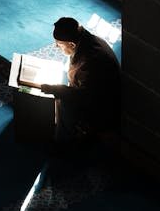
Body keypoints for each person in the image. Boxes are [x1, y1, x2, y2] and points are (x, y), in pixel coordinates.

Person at [40, 16, 121, 144]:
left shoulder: (90, 62)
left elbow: (83, 96)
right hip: (95, 93)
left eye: (59, 44)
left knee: (63, 102)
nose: (56, 47)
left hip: (103, 108)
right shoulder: (87, 41)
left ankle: (64, 144)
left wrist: (55, 89)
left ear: (71, 44)